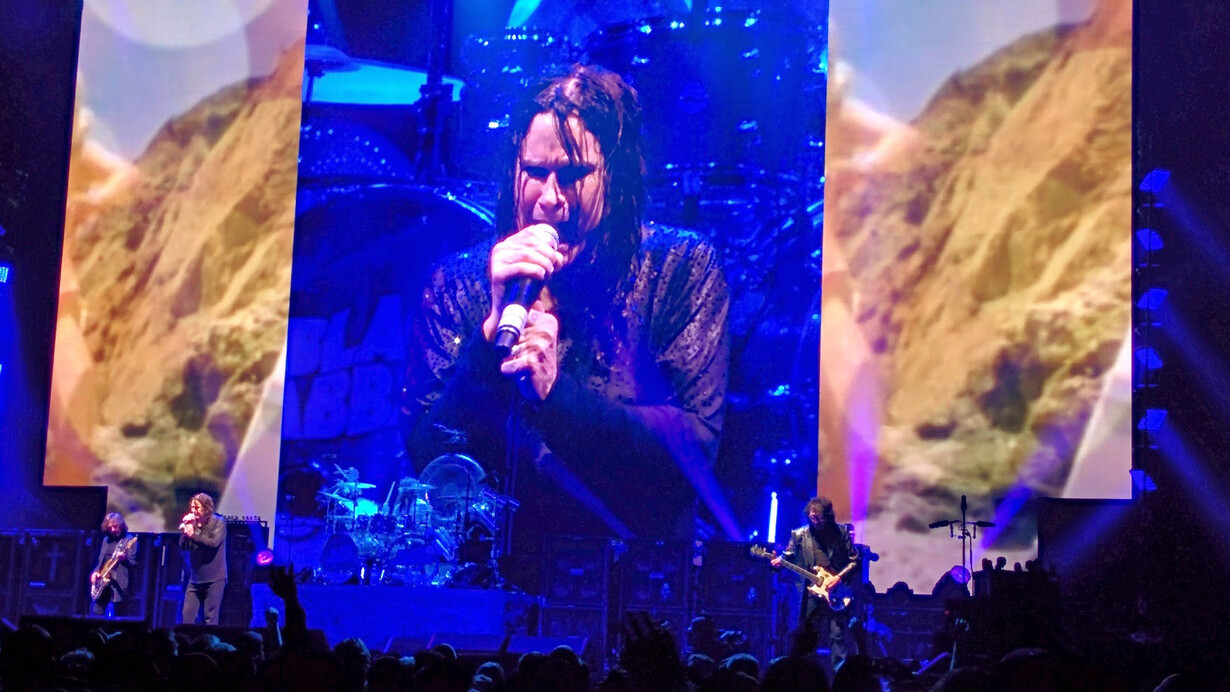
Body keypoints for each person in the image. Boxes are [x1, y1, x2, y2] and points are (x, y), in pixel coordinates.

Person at [402, 64, 729, 557]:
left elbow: (697, 450)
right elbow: (428, 457)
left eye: (575, 175)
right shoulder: (458, 282)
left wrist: (559, 397)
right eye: (534, 173)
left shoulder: (679, 267)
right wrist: (488, 347)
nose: (550, 199)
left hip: (630, 579)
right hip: (485, 579)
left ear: (616, 177)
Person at [771, 496, 860, 671]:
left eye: (819, 517)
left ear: (827, 516)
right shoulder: (799, 535)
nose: (816, 521)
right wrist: (777, 562)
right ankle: (805, 679)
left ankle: (839, 679)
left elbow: (855, 561)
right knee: (808, 637)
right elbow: (787, 557)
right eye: (812, 518)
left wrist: (838, 577)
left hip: (836, 592)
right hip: (810, 593)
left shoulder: (841, 533)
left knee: (837, 637)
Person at [180, 492, 228, 625]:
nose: (194, 511)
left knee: (210, 618)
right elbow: (183, 545)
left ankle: (209, 644)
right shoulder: (192, 524)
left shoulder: (219, 522)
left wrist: (193, 535)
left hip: (214, 578)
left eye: (198, 508)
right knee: (187, 617)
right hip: (195, 578)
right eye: (192, 508)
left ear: (206, 508)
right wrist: (186, 531)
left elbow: (213, 543)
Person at [89, 512, 138, 617]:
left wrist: (124, 559)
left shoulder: (129, 540)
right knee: (96, 612)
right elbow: (100, 561)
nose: (112, 530)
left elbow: (133, 563)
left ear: (121, 525)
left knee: (119, 615)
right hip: (103, 581)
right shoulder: (106, 540)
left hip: (119, 583)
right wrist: (96, 572)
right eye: (109, 527)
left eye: (115, 527)